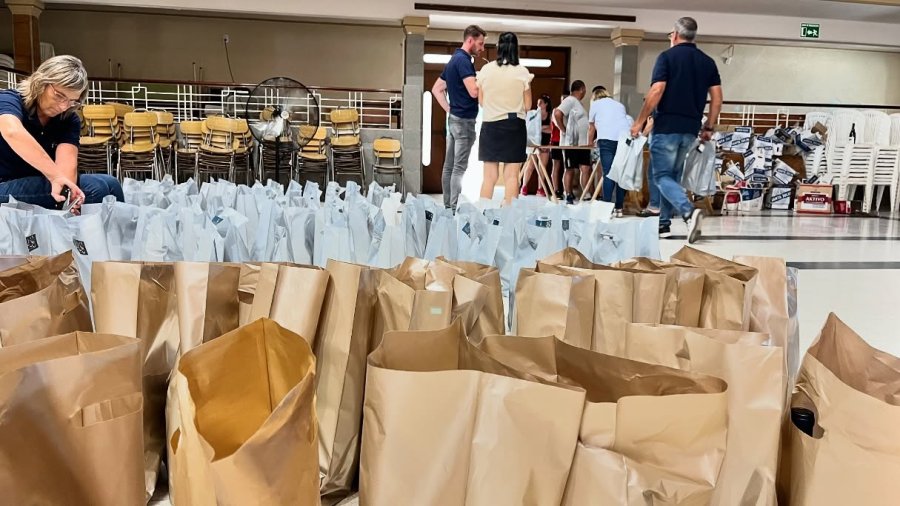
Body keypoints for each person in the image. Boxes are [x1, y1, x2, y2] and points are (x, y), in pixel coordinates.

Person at [631, 16, 722, 243]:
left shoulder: (666, 57)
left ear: (675, 34)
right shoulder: (708, 62)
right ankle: (663, 225)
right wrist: (709, 126)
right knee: (672, 177)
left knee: (661, 176)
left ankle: (689, 212)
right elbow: (717, 99)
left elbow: (656, 91)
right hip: (690, 129)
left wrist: (640, 121)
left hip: (666, 127)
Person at [0, 55, 123, 211]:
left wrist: (69, 196)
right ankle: (80, 235)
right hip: (4, 183)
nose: (64, 106)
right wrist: (56, 178)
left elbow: (67, 164)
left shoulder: (68, 119)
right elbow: (12, 131)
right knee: (94, 189)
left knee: (111, 184)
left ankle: (118, 234)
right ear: (41, 83)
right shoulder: (8, 100)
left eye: (72, 101)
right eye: (59, 96)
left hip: (34, 180)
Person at [432, 25, 486, 210]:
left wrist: (450, 109)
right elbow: (473, 91)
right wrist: (484, 80)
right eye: (480, 44)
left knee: (449, 167)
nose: (482, 48)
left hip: (454, 120)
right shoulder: (464, 61)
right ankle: (452, 209)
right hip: (464, 122)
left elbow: (436, 89)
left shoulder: (453, 60)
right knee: (458, 168)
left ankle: (448, 206)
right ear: (470, 40)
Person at [476, 32, 533, 206]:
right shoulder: (522, 72)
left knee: (489, 177)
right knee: (511, 177)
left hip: (491, 126)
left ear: (498, 48)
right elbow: (528, 105)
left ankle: (481, 217)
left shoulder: (486, 70)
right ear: (516, 49)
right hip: (514, 126)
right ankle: (510, 220)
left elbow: (481, 101)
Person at [587, 85, 631, 217]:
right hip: (623, 140)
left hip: (606, 140)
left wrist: (589, 144)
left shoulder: (595, 104)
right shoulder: (619, 105)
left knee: (609, 174)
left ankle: (606, 207)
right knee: (620, 174)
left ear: (594, 97)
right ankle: (619, 208)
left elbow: (591, 128)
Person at [554, 80, 590, 204]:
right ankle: (568, 194)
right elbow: (557, 113)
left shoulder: (578, 104)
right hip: (571, 143)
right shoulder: (570, 100)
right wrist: (563, 130)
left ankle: (586, 194)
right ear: (582, 89)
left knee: (585, 167)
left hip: (582, 144)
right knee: (570, 169)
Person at [519, 93, 552, 197]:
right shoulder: (534, 114)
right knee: (530, 165)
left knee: (542, 167)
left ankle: (540, 188)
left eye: (541, 103)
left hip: (545, 144)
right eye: (537, 103)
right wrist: (543, 128)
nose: (538, 105)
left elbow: (551, 130)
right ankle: (524, 186)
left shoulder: (550, 114)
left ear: (546, 104)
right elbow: (531, 128)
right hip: (534, 143)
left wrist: (540, 128)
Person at [548, 92, 567, 199]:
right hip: (556, 141)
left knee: (566, 167)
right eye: (563, 100)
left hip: (566, 142)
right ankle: (556, 190)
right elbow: (557, 124)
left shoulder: (569, 112)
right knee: (556, 166)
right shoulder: (556, 111)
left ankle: (565, 190)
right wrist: (564, 130)